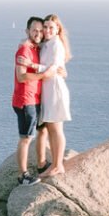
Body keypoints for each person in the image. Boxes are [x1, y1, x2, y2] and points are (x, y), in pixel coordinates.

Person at [11, 17, 66, 185]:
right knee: (26, 137)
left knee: (43, 131)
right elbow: (21, 76)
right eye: (35, 30)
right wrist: (44, 74)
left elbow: (57, 65)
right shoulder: (24, 51)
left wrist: (60, 71)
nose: (39, 33)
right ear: (27, 31)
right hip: (26, 100)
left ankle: (42, 164)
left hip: (37, 99)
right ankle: (23, 175)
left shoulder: (37, 47)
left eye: (41, 30)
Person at [37, 14, 72, 178]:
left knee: (57, 129)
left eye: (51, 27)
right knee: (51, 128)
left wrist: (30, 67)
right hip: (48, 90)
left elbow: (52, 69)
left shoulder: (56, 45)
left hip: (55, 89)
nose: (47, 30)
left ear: (58, 29)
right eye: (45, 27)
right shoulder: (46, 44)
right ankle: (55, 165)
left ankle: (58, 166)